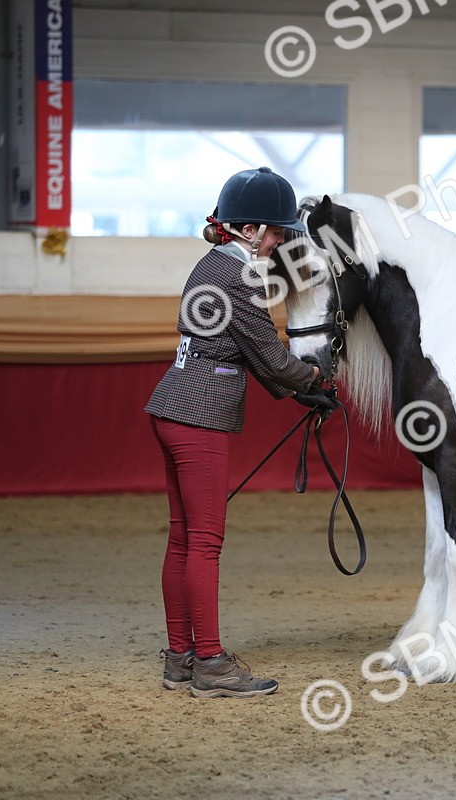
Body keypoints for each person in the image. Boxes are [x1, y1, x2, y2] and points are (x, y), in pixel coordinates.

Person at [145, 166, 327, 698]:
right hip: (198, 414)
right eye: (274, 233)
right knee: (205, 543)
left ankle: (180, 657)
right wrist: (314, 379)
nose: (278, 243)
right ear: (248, 230)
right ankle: (211, 663)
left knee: (183, 538)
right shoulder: (240, 279)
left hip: (173, 404)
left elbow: (249, 354)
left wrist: (296, 387)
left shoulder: (211, 264)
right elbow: (269, 355)